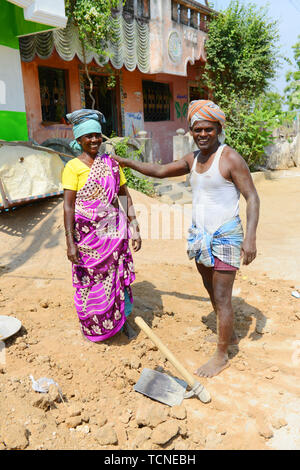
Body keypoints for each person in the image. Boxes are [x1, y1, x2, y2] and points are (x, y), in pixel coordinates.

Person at [113, 100, 260, 377]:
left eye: (208, 129)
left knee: (222, 296)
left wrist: (250, 238)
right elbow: (158, 171)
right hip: (200, 235)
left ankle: (221, 355)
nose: (202, 135)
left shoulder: (230, 158)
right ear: (191, 131)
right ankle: (227, 336)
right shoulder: (193, 159)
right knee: (210, 291)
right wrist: (127, 162)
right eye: (197, 130)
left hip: (226, 235)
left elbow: (252, 196)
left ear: (218, 129)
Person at [62, 109, 141, 342]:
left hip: (113, 233)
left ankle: (123, 320)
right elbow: (68, 207)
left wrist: (133, 225)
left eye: (98, 135)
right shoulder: (72, 168)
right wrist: (70, 243)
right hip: (87, 240)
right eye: (89, 136)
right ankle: (94, 325)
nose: (95, 140)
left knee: (117, 277)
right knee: (90, 281)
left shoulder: (112, 165)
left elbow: (123, 196)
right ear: (79, 139)